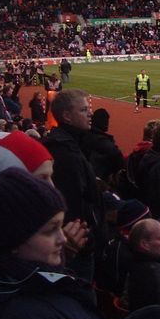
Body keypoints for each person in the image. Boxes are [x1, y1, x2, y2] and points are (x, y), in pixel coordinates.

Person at [0, 168, 111, 319]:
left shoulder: (34, 285)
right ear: (11, 240)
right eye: (50, 230)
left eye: (60, 226)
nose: (63, 238)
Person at [43, 89, 104, 281]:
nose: (90, 113)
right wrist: (90, 242)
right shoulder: (67, 153)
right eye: (84, 110)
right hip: (78, 249)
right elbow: (74, 205)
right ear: (67, 116)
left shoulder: (66, 144)